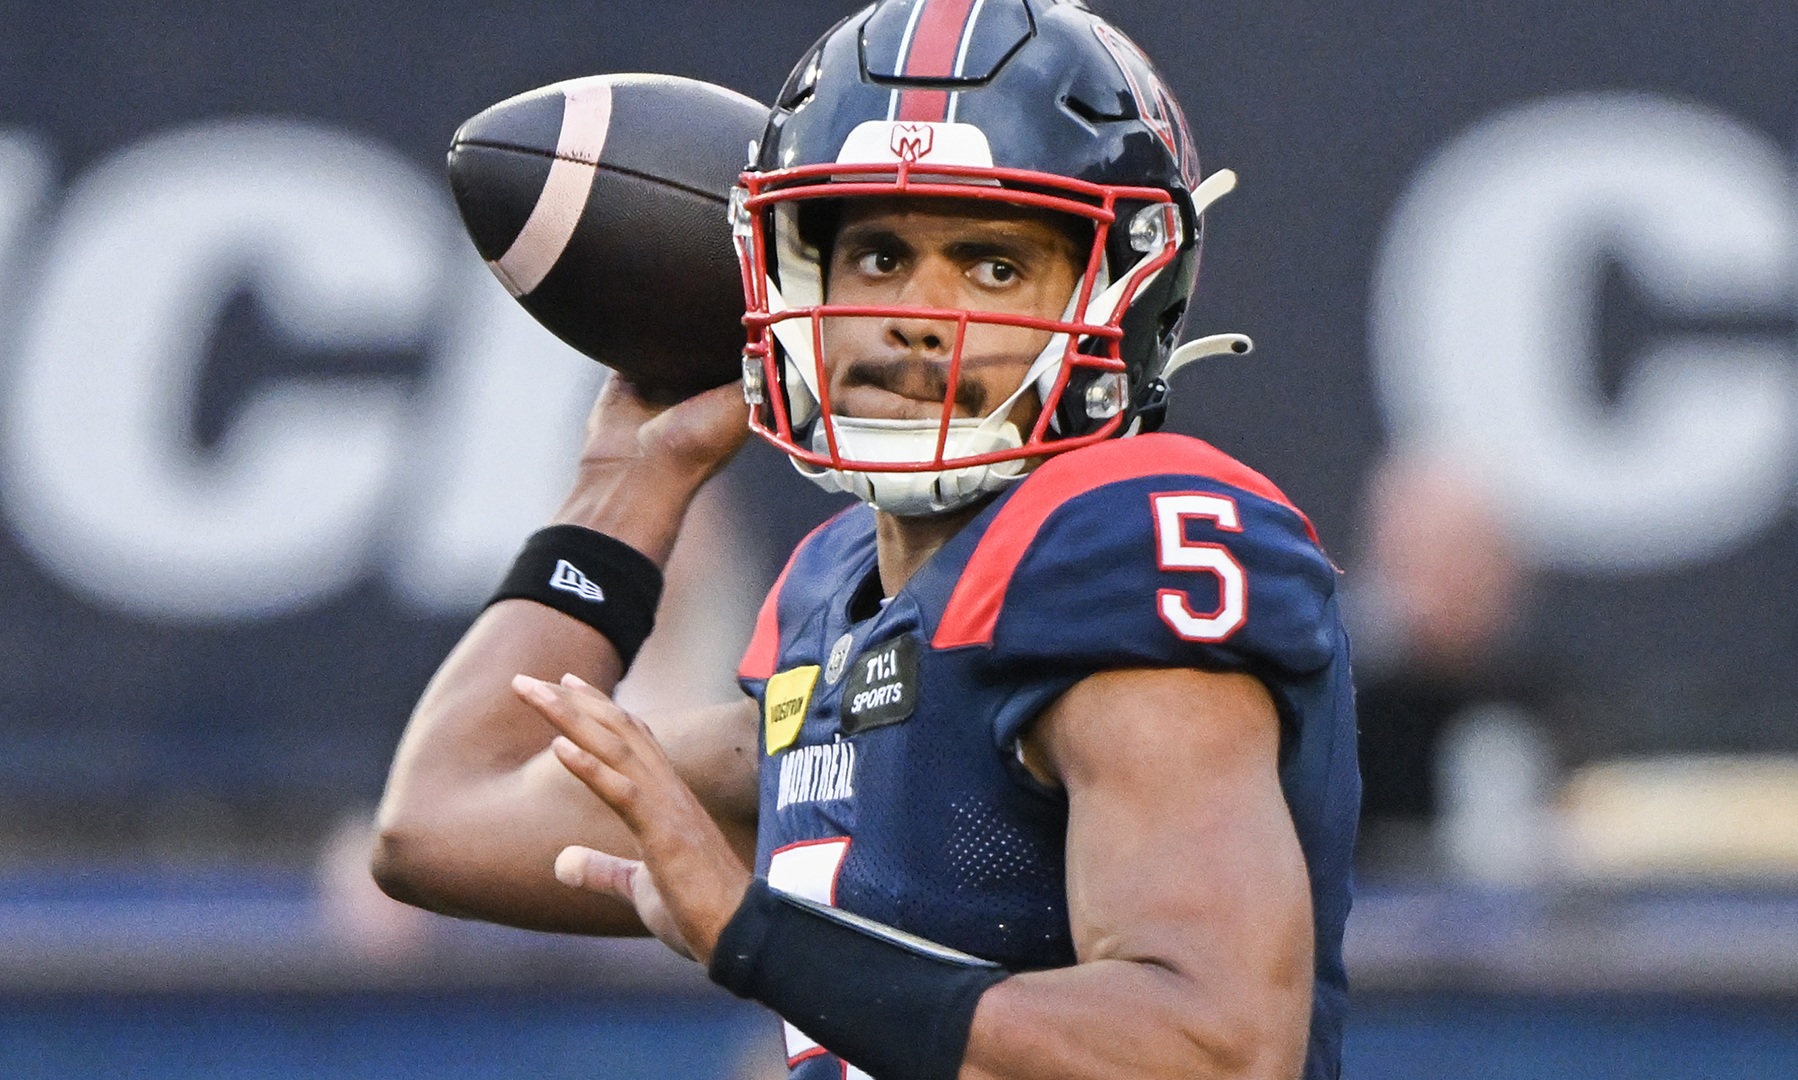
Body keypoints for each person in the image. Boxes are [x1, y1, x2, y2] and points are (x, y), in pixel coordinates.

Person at [373, 3, 1359, 1078]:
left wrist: (757, 939)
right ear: (792, 281)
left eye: (990, 267)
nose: (917, 314)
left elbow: (1217, 1053)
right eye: (880, 254)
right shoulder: (836, 599)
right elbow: (440, 824)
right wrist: (626, 488)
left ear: (1123, 288)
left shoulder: (1115, 540)